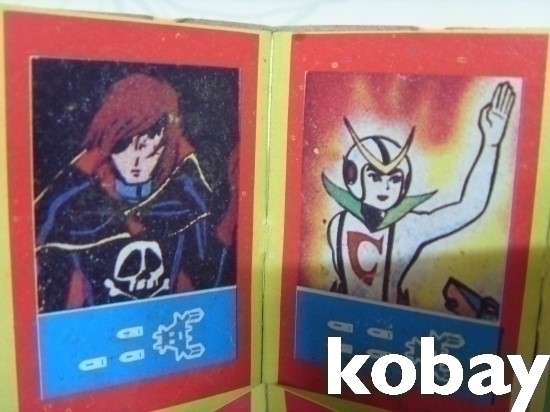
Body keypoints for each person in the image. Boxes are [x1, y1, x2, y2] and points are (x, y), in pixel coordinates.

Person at [35, 73, 236, 313]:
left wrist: (234, 207)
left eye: (148, 145)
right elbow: (59, 303)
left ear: (165, 144)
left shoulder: (184, 200)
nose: (136, 161)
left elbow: (208, 282)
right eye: (125, 145)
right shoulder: (76, 209)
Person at [323, 82, 515, 305]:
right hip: (341, 322)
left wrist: (490, 143)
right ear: (353, 177)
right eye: (375, 177)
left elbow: (468, 207)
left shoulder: (408, 228)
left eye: (394, 179)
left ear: (404, 185)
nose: (386, 187)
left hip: (393, 324)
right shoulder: (337, 226)